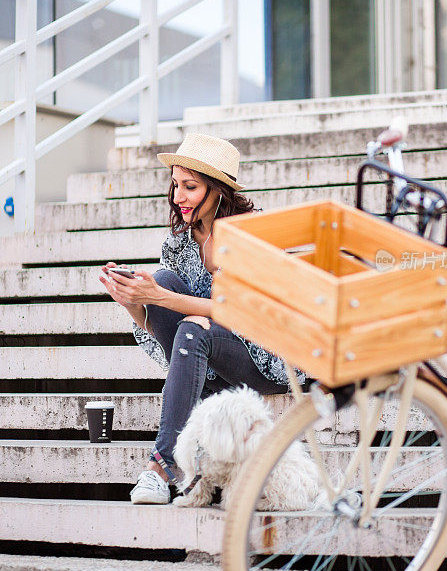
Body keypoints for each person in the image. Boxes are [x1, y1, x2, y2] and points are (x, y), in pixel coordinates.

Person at [99, 133, 306, 504]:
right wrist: (131, 300)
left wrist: (160, 297)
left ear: (219, 190)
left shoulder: (252, 233)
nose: (178, 197)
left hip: (263, 360)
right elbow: (157, 319)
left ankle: (161, 467)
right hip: (208, 357)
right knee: (164, 282)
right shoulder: (180, 241)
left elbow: (239, 310)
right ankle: (189, 417)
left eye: (190, 187)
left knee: (190, 322)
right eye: (176, 185)